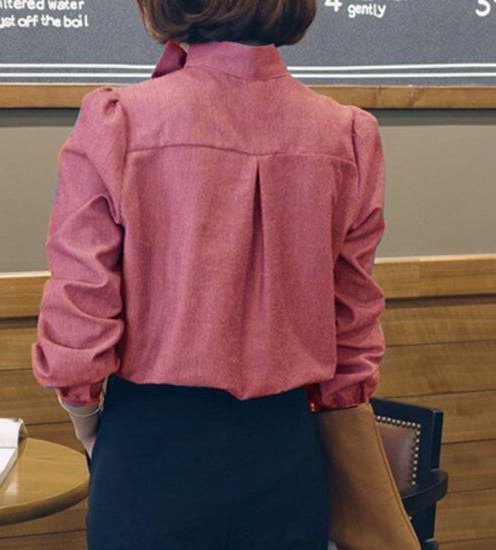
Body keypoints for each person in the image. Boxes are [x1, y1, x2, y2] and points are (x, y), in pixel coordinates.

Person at [30, 0, 387, 548]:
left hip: (147, 448)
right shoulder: (347, 135)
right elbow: (353, 324)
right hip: (288, 448)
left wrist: (89, 423)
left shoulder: (120, 122)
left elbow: (80, 306)